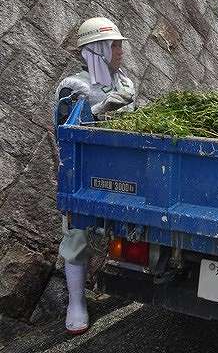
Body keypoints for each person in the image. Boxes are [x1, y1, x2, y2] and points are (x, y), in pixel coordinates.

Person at [54, 17, 136, 334]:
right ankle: (76, 303)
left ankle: (128, 290)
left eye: (119, 44)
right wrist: (100, 109)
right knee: (77, 236)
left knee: (131, 227)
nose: (120, 51)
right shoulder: (73, 85)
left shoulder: (123, 83)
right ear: (96, 49)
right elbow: (67, 128)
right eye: (114, 45)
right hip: (84, 175)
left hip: (124, 170)